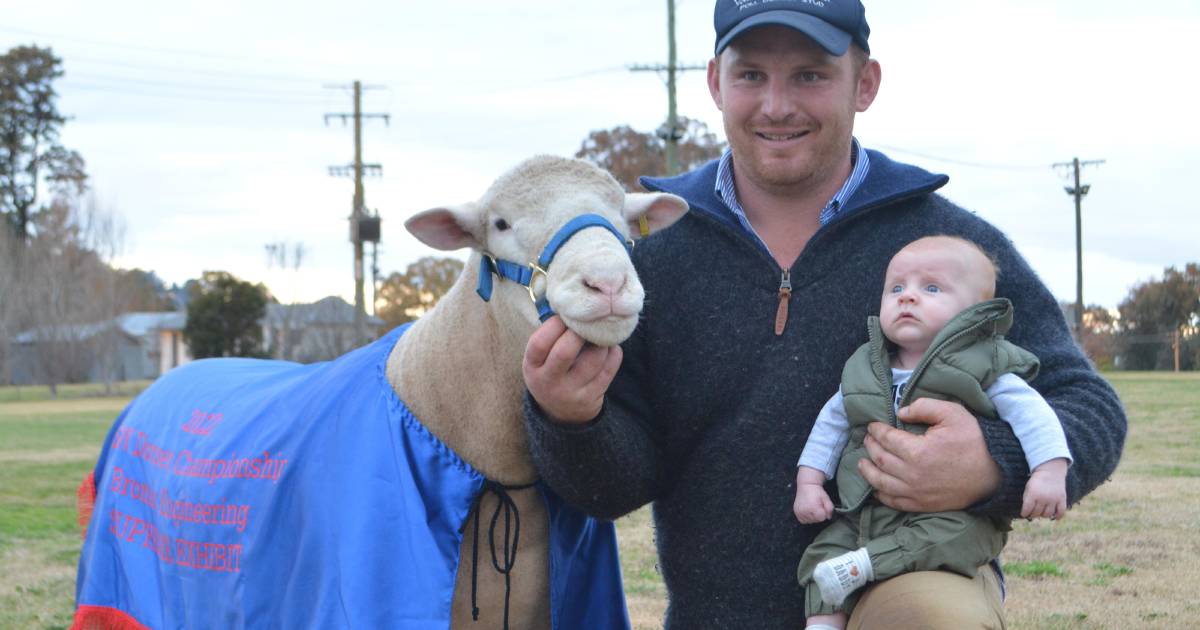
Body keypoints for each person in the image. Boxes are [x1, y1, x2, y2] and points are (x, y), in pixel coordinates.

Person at [522, 1, 1126, 627]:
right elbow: (613, 489)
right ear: (714, 84)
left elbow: (1088, 405)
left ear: (864, 84)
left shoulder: (950, 248)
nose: (777, 106)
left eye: (810, 75)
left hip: (903, 582)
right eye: (751, 75)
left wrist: (990, 461)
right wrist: (570, 419)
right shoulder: (648, 257)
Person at [793, 235, 1072, 630]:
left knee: (949, 540)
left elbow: (1034, 417)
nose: (907, 297)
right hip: (866, 514)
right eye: (896, 288)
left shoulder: (985, 363)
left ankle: (868, 565)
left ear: (974, 312)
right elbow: (832, 423)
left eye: (931, 288)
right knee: (825, 555)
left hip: (950, 516)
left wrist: (1048, 472)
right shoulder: (866, 366)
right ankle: (823, 624)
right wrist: (810, 482)